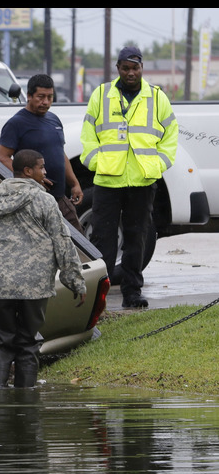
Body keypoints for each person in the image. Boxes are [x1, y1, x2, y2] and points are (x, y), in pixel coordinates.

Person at [0, 149, 87, 389]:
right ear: (28, 171)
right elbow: (62, 242)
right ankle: (26, 400)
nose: (45, 172)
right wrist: (75, 281)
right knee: (27, 342)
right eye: (42, 167)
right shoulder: (44, 200)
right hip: (34, 288)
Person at [81, 47, 178, 309]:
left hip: (142, 181)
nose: (131, 73)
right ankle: (96, 297)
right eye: (125, 68)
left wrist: (158, 166)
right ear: (118, 69)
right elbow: (88, 135)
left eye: (135, 68)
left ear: (142, 68)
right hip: (107, 181)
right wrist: (96, 162)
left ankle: (132, 292)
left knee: (138, 238)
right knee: (103, 240)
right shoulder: (101, 95)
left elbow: (170, 136)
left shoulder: (157, 98)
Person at [0, 74, 85, 232]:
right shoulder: (16, 123)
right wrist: (31, 179)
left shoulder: (54, 120)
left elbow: (60, 154)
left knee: (80, 245)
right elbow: (2, 158)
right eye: (41, 97)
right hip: (34, 202)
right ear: (29, 96)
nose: (45, 102)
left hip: (59, 198)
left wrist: (74, 183)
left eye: (50, 97)